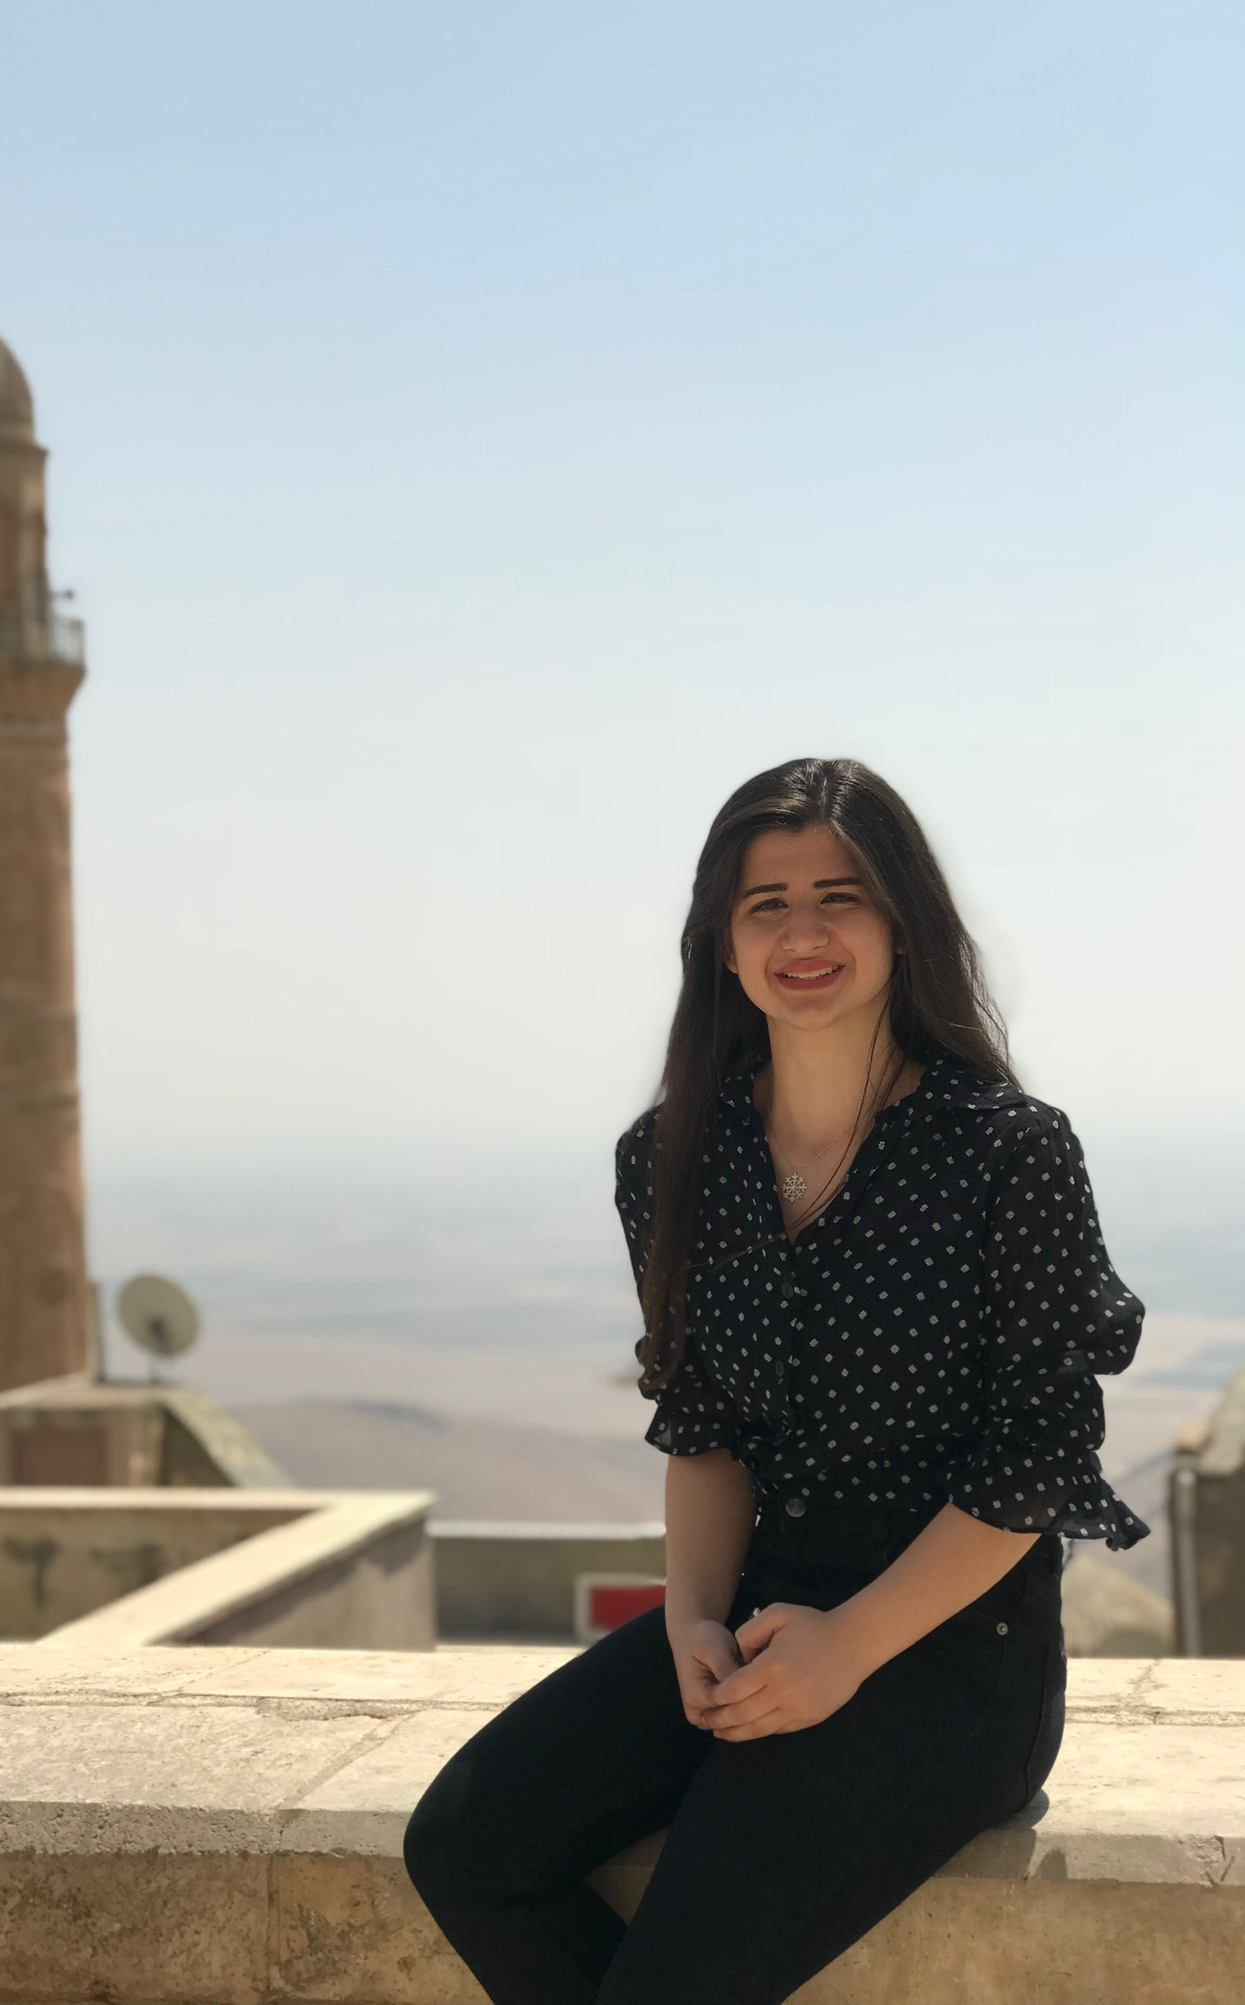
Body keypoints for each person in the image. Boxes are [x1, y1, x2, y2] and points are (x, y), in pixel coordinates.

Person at [403, 755, 1146, 2005]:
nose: (804, 933)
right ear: (725, 944)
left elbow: (1037, 1463)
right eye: (766, 905)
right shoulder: (676, 1154)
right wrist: (691, 1622)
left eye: (839, 897)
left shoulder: (1006, 1150)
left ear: (903, 924)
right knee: (466, 1846)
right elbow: (702, 1422)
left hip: (951, 1653)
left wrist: (846, 1647)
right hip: (752, 1610)